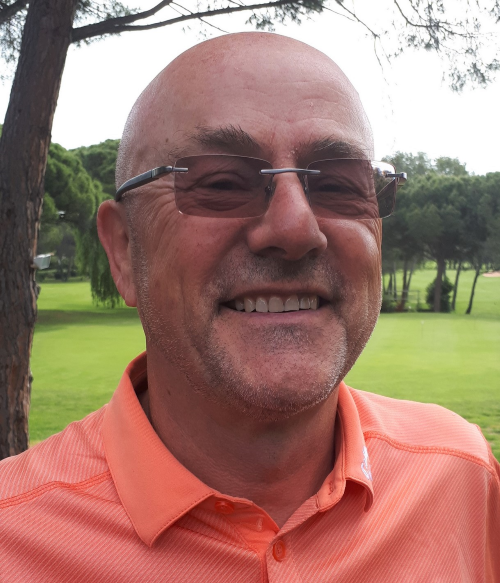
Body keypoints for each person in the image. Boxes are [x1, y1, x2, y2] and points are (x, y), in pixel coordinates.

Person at [0, 32, 498, 582]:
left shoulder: (462, 479)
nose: (295, 228)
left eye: (338, 184)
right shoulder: (13, 539)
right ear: (122, 250)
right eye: (222, 182)